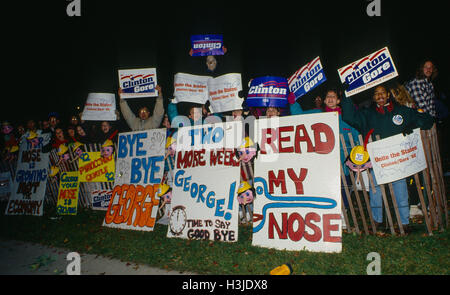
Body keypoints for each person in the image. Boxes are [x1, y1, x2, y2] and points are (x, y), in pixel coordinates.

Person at [341, 83, 434, 233]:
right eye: (376, 94)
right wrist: (345, 95)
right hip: (377, 161)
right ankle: (377, 221)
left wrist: (413, 126)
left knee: (401, 190)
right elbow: (349, 116)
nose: (380, 96)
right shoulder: (368, 114)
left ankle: (404, 222)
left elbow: (424, 119)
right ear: (373, 98)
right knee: (375, 190)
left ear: (388, 95)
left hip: (398, 161)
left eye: (382, 93)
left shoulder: (401, 112)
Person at [288, 88, 361, 209]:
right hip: (323, 165)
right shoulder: (318, 113)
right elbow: (298, 116)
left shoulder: (345, 118)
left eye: (333, 96)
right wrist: (293, 102)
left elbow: (357, 137)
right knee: (325, 192)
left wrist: (357, 158)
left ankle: (343, 216)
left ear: (338, 100)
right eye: (328, 96)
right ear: (324, 100)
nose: (330, 98)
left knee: (343, 192)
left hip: (342, 166)